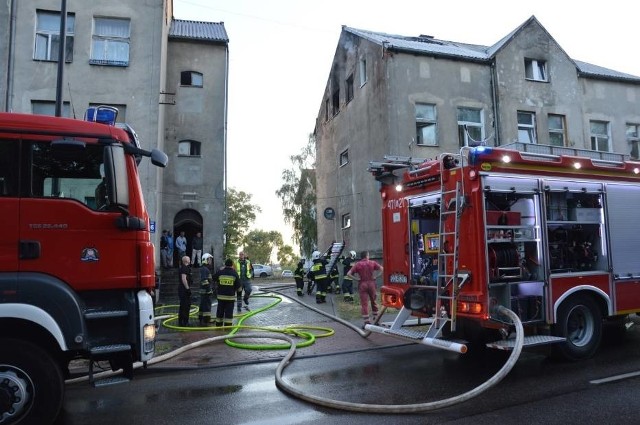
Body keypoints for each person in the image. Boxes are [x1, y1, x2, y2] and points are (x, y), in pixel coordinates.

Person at [347, 250, 383, 327]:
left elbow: (348, 274)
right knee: (374, 302)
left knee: (364, 304)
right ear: (367, 256)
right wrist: (376, 276)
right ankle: (377, 320)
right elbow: (382, 269)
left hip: (362, 284)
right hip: (371, 284)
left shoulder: (358, 264)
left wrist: (356, 279)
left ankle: (367, 323)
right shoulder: (372, 263)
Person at [213, 259, 241, 327]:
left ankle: (218, 325)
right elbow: (239, 288)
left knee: (220, 312)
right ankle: (227, 327)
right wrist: (239, 297)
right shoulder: (234, 274)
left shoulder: (220, 272)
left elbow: (213, 278)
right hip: (230, 298)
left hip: (220, 297)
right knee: (229, 313)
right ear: (232, 265)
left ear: (225, 265)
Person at [198, 253, 214, 326]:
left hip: (203, 291)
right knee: (207, 306)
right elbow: (204, 280)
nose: (210, 261)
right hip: (206, 291)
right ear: (206, 260)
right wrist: (209, 290)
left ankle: (201, 319)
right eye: (209, 259)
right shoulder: (205, 269)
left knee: (203, 305)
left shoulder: (204, 268)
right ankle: (206, 321)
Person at [177, 255, 193, 327]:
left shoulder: (184, 268)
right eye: (189, 259)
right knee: (185, 306)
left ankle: (182, 321)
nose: (190, 260)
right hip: (184, 290)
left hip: (183, 289)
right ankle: (184, 322)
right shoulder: (184, 268)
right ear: (186, 261)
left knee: (184, 305)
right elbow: (184, 279)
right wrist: (187, 288)